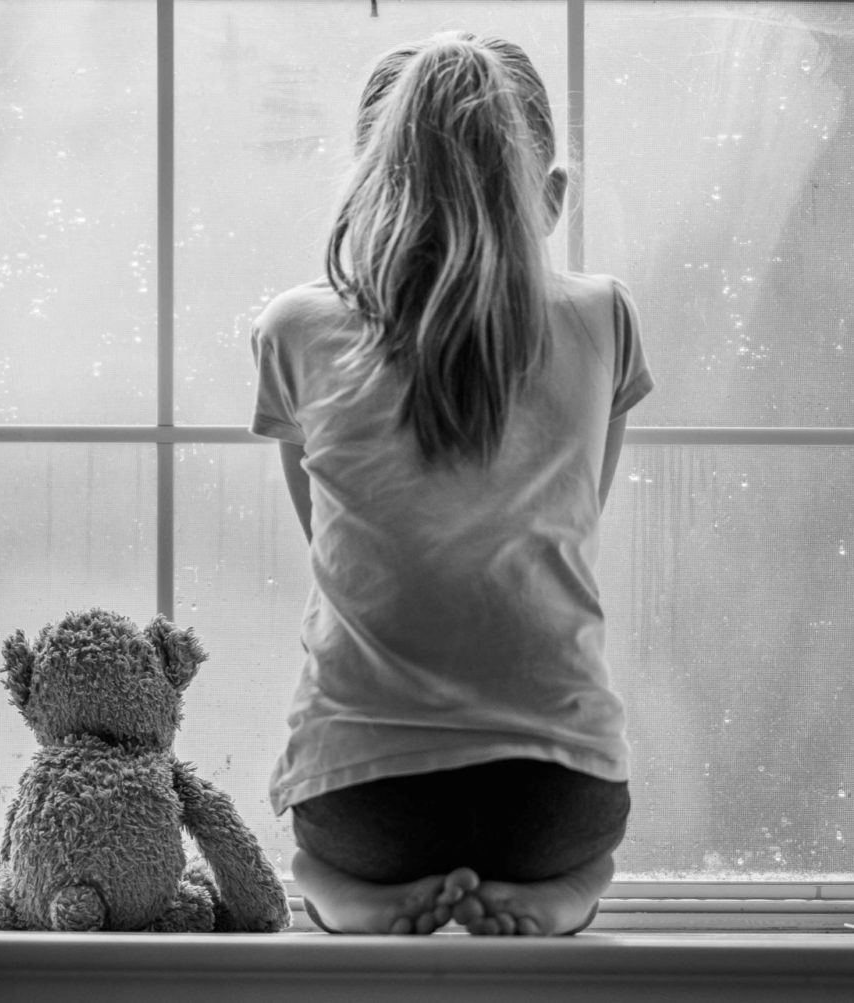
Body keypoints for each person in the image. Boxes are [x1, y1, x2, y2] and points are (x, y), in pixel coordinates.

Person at [250, 31, 653, 936]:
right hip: (558, 799)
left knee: (309, 851)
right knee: (594, 848)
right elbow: (574, 514)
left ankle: (346, 893)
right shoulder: (603, 316)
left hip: (366, 805)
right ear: (553, 197)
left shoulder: (295, 328)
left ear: (366, 188)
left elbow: (332, 540)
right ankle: (570, 890)